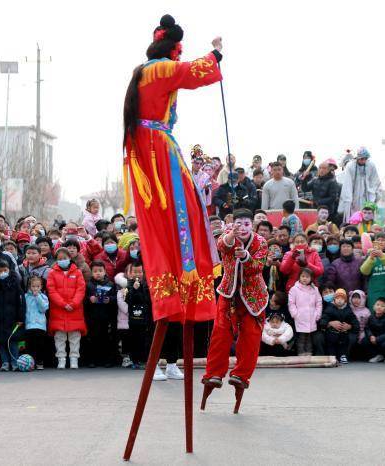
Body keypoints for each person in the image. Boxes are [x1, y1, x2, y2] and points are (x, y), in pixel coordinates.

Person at [122, 15, 222, 333]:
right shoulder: (163, 69)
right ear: (174, 48)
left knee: (166, 216)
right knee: (188, 208)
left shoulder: (141, 72)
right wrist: (216, 55)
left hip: (143, 148)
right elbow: (194, 73)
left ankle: (174, 285)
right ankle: (187, 277)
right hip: (157, 148)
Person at [203, 209, 268, 393]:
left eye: (247, 224)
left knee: (251, 335)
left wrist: (246, 258)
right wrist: (231, 234)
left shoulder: (261, 242)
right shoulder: (228, 236)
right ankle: (214, 373)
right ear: (233, 224)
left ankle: (241, 374)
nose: (243, 228)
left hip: (254, 295)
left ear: (252, 225)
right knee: (221, 332)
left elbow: (258, 267)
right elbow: (221, 246)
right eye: (239, 224)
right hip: (229, 292)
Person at [47, 249, 87, 369]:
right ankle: (61, 359)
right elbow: (51, 290)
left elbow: (81, 289)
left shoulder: (78, 272)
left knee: (75, 337)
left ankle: (74, 359)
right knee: (59, 337)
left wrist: (73, 303)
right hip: (58, 310)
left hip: (75, 310)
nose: (62, 260)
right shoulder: (52, 273)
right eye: (59, 258)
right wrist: (63, 304)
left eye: (64, 258)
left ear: (69, 258)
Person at [0, 260, 25, 371]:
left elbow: (21, 303)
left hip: (13, 319)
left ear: (9, 270)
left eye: (5, 270)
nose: (3, 272)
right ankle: (5, 362)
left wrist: (20, 318)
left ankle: (15, 362)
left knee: (13, 341)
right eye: (0, 271)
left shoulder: (16, 286)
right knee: (1, 342)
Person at [84, 260, 117, 368]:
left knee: (106, 338)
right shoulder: (88, 285)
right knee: (93, 338)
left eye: (100, 271)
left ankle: (107, 360)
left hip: (106, 316)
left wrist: (110, 300)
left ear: (105, 271)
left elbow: (116, 298)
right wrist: (90, 299)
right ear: (91, 273)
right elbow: (83, 300)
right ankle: (92, 360)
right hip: (92, 317)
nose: (98, 273)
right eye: (95, 271)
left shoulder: (111, 284)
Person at [337, 147, 383, 221]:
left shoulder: (371, 165)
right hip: (354, 197)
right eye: (361, 159)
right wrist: (349, 199)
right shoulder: (350, 166)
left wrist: (373, 197)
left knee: (366, 215)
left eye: (365, 158)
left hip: (366, 196)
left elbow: (374, 181)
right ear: (357, 158)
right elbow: (347, 184)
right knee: (354, 216)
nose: (363, 161)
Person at [288, 268, 323, 356]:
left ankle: (309, 353)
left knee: (309, 336)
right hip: (300, 316)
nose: (305, 278)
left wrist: (317, 314)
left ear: (311, 278)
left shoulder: (315, 289)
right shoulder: (294, 289)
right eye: (303, 276)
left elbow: (319, 302)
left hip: (312, 316)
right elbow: (291, 303)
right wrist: (295, 314)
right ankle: (301, 353)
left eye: (307, 277)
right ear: (299, 277)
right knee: (301, 336)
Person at [320, 288, 359, 364]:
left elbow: (355, 323)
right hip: (331, 332)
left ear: (345, 300)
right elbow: (323, 320)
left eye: (342, 298)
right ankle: (332, 357)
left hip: (343, 333)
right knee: (331, 345)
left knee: (343, 344)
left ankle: (343, 356)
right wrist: (328, 324)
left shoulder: (348, 310)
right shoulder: (330, 308)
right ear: (334, 299)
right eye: (337, 298)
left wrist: (350, 326)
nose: (339, 300)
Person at [23, 276, 48, 370]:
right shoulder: (26, 297)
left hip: (40, 326)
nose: (35, 288)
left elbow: (43, 309)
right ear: (30, 287)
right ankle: (31, 362)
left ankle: (40, 362)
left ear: (41, 287)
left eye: (37, 286)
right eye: (33, 286)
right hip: (29, 325)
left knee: (40, 345)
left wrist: (37, 296)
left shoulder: (43, 297)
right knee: (30, 345)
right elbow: (23, 310)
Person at [363, 297, 385, 363]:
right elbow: (367, 328)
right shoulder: (371, 317)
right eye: (377, 305)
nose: (379, 307)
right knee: (364, 341)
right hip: (374, 339)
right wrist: (371, 336)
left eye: (382, 306)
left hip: (384, 340)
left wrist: (377, 339)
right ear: (373, 307)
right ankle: (378, 355)